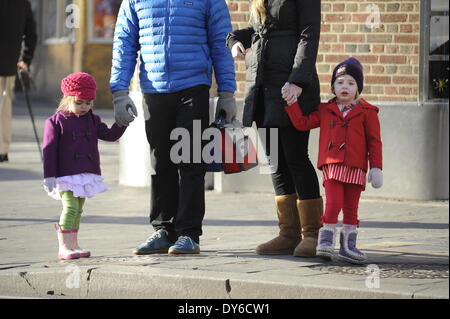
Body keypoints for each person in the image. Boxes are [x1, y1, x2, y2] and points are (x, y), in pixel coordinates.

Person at [110, 0, 237, 255]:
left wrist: (227, 93)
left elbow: (221, 43)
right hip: (154, 90)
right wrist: (120, 91)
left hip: (193, 87)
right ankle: (164, 230)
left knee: (191, 161)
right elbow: (124, 42)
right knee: (161, 162)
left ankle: (189, 234)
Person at [226, 0, 323, 257]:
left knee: (296, 158)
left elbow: (309, 35)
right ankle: (288, 233)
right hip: (262, 88)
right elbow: (259, 31)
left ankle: (312, 234)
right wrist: (235, 40)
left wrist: (298, 80)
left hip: (290, 88)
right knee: (275, 162)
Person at [284, 57, 383, 264]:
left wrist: (376, 167)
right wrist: (292, 104)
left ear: (358, 88)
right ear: (332, 87)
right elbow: (303, 123)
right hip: (333, 164)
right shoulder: (324, 109)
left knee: (351, 207)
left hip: (356, 167)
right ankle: (325, 242)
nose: (344, 87)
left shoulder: (368, 112)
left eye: (350, 83)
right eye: (339, 82)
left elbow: (374, 142)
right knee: (334, 202)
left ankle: (348, 247)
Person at [42, 72, 126, 260]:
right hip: (65, 175)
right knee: (70, 207)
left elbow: (110, 135)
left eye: (88, 103)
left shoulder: (92, 120)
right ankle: (63, 247)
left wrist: (122, 122)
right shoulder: (55, 122)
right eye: (79, 102)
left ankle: (73, 245)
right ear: (68, 98)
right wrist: (49, 175)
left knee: (79, 209)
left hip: (85, 173)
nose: (84, 107)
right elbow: (49, 150)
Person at [0, 0, 37, 162]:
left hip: (8, 64)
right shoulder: (22, 3)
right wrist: (25, 59)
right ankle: (2, 149)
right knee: (4, 108)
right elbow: (31, 33)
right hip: (8, 64)